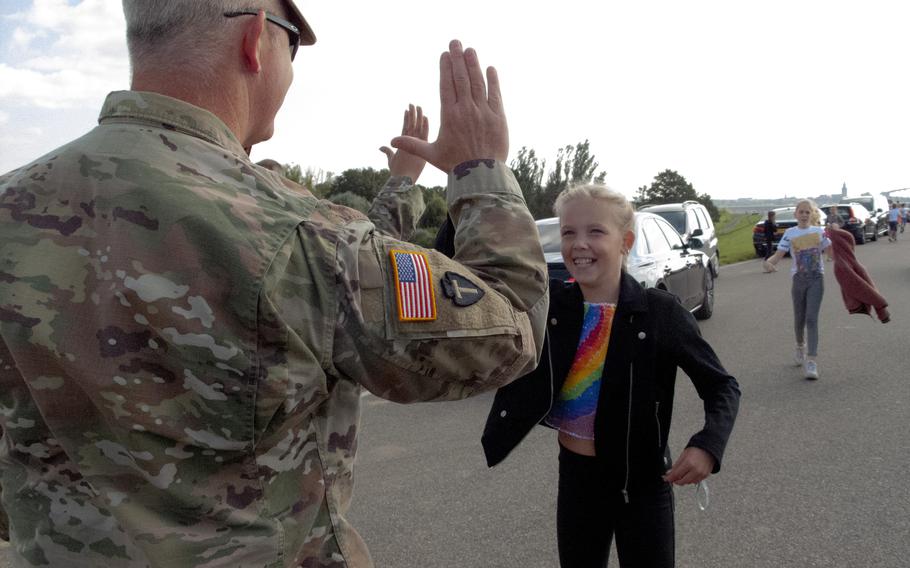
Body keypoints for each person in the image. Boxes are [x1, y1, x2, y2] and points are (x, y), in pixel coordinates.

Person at [0, 1, 549, 565]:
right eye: (294, 45)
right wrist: (481, 171)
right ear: (257, 37)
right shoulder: (300, 236)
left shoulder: (10, 205)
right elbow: (512, 328)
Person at [481, 185, 741, 568]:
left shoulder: (658, 313)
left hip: (644, 485)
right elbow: (481, 274)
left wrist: (708, 444)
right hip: (577, 481)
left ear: (626, 241)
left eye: (596, 232)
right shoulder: (551, 308)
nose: (579, 244)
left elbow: (722, 386)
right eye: (569, 232)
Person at [763, 198, 832, 380]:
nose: (804, 215)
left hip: (817, 278)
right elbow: (779, 255)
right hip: (798, 280)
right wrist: (769, 263)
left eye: (807, 212)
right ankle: (800, 345)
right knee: (799, 319)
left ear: (812, 214)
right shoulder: (790, 233)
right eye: (801, 212)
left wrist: (836, 237)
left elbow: (831, 252)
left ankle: (812, 361)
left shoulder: (819, 232)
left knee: (811, 319)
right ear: (796, 214)